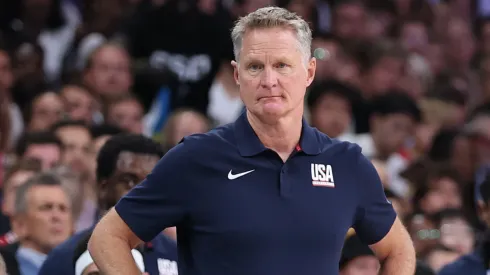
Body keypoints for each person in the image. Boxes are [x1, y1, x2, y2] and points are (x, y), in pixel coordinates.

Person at [88, 7, 415, 275]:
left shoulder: (347, 164)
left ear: (310, 72)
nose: (269, 80)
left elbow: (398, 250)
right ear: (237, 75)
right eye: (255, 67)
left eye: (282, 66)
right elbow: (108, 237)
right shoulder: (197, 157)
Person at [38, 134, 177, 275]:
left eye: (150, 183)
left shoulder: (179, 255)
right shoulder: (63, 258)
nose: (142, 193)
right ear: (103, 188)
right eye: (129, 181)